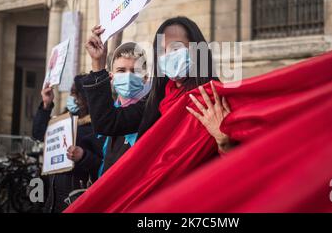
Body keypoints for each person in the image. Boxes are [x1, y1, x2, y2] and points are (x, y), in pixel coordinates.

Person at [84, 16, 235, 154]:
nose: (169, 56)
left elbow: (238, 166)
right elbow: (107, 123)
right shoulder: (157, 100)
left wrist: (224, 142)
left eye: (176, 48)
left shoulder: (214, 99)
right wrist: (98, 63)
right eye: (162, 51)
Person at [32, 74, 103, 213]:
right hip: (53, 199)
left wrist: (83, 156)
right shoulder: (64, 121)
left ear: (85, 97)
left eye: (75, 93)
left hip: (74, 198)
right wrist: (46, 105)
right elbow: (38, 134)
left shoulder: (97, 127)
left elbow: (102, 165)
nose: (71, 97)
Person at [97, 42, 150, 176]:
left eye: (135, 71)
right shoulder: (108, 114)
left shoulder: (151, 113)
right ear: (111, 77)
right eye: (121, 70)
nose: (128, 76)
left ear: (145, 77)